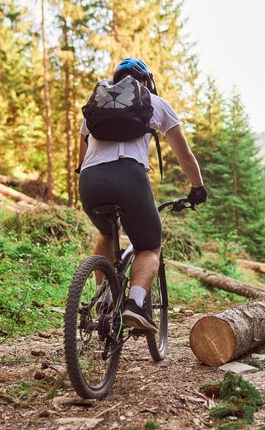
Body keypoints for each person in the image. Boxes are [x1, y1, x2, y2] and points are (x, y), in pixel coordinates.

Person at [78, 57, 207, 332]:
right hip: (129, 178)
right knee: (149, 247)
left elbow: (81, 155)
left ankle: (104, 298)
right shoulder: (154, 102)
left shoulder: (99, 102)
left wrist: (86, 175)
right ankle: (136, 304)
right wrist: (198, 187)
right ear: (147, 81)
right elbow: (185, 156)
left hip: (90, 181)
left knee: (106, 233)